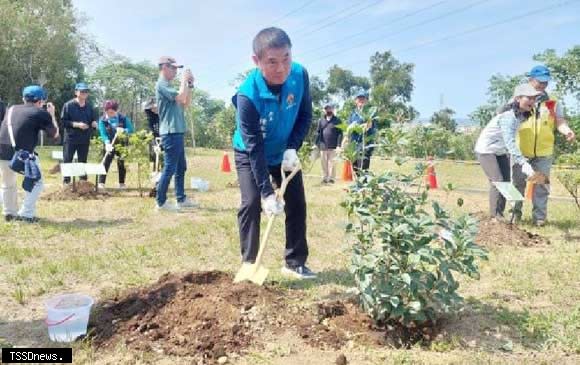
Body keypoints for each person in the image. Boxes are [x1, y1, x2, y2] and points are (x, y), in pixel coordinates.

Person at [232, 27, 315, 279]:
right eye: (272, 62)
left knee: (297, 204)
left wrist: (293, 146)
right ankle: (249, 263)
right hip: (250, 153)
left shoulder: (299, 75)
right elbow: (254, 146)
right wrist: (267, 193)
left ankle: (295, 263)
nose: (281, 68)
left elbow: (305, 115)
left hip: (284, 152)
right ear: (256, 61)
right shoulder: (248, 96)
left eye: (286, 58)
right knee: (251, 203)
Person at [512, 65, 576, 226]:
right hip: (521, 151)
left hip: (543, 152)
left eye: (545, 82)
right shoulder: (519, 97)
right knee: (517, 184)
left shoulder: (552, 101)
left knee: (541, 185)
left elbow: (560, 121)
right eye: (539, 82)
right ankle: (514, 216)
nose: (543, 85)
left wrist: (566, 131)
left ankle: (539, 218)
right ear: (530, 80)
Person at [474, 84, 541, 219]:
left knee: (505, 182)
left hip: (499, 150)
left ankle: (501, 215)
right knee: (497, 181)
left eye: (534, 99)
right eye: (529, 98)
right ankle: (495, 216)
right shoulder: (508, 117)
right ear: (517, 99)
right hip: (486, 149)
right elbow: (510, 141)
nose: (532, 102)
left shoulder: (522, 115)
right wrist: (523, 163)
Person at [0, 86, 59, 222]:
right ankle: (26, 214)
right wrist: (51, 115)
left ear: (23, 98)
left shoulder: (11, 109)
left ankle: (10, 214)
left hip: (2, 152)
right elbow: (55, 135)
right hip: (22, 155)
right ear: (41, 101)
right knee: (37, 183)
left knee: (8, 184)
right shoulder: (40, 112)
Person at [155, 56, 196, 211]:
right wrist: (183, 81)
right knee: (170, 167)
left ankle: (181, 198)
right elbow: (180, 96)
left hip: (177, 131)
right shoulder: (162, 84)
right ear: (164, 67)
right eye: (173, 68)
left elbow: (185, 102)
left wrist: (189, 85)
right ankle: (161, 202)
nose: (175, 72)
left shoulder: (169, 86)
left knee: (181, 167)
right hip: (170, 132)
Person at [61, 82, 97, 184]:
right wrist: (76, 125)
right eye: (82, 91)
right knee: (68, 160)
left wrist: (94, 123)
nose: (84, 93)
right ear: (76, 92)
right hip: (71, 138)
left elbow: (93, 120)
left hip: (84, 138)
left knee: (83, 160)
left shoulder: (90, 107)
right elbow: (63, 122)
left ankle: (83, 182)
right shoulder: (68, 105)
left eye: (86, 92)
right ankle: (66, 182)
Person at [97, 100, 134, 189]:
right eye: (108, 112)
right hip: (109, 144)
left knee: (121, 162)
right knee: (106, 162)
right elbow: (103, 133)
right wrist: (106, 142)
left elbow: (131, 129)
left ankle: (121, 183)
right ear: (105, 111)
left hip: (121, 143)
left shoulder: (123, 118)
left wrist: (124, 130)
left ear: (116, 111)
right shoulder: (103, 120)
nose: (110, 114)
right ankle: (101, 183)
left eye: (112, 112)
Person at [347, 90, 376, 174]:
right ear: (355, 101)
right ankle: (358, 186)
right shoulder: (353, 114)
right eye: (359, 98)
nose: (361, 100)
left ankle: (363, 186)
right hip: (354, 146)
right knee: (355, 169)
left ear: (366, 101)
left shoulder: (370, 113)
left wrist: (362, 127)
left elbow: (369, 126)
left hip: (365, 145)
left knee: (363, 169)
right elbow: (349, 129)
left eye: (363, 99)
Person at [315, 103, 342, 184]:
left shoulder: (338, 120)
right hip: (323, 145)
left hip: (333, 146)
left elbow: (340, 133)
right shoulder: (321, 120)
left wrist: (339, 145)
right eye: (327, 109)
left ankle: (332, 178)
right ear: (324, 110)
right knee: (323, 163)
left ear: (333, 109)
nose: (328, 110)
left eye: (330, 108)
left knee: (332, 163)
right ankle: (325, 177)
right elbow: (318, 133)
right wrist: (315, 144)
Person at [143, 98, 162, 196]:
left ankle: (162, 184)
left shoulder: (164, 114)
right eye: (151, 109)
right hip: (155, 141)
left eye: (154, 107)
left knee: (164, 163)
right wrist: (154, 144)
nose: (153, 110)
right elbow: (152, 131)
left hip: (166, 139)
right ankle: (156, 185)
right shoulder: (151, 117)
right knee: (155, 161)